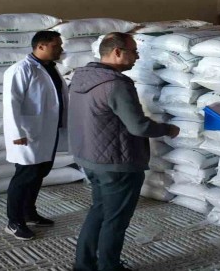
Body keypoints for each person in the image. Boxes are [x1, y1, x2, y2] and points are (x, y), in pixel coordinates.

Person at [69, 32, 180, 271]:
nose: (137, 57)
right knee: (115, 220)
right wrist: (167, 129)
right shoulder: (116, 85)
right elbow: (139, 126)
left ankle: (84, 264)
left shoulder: (82, 77)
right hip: (117, 163)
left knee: (99, 210)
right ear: (117, 52)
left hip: (89, 158)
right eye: (134, 51)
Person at [3, 30, 67, 241]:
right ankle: (14, 221)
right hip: (27, 134)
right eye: (56, 46)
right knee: (24, 177)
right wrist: (17, 133)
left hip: (47, 131)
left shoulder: (51, 68)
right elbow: (11, 104)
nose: (60, 49)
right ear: (40, 46)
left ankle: (29, 213)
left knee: (39, 173)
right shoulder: (21, 69)